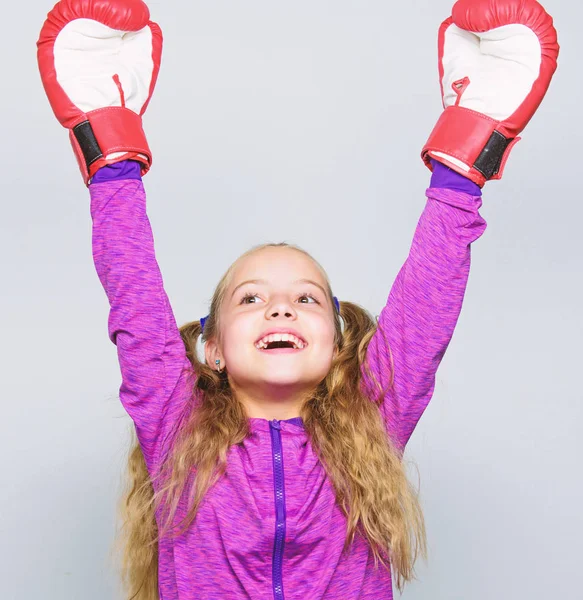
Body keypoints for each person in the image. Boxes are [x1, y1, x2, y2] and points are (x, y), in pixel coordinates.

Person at [36, 0, 559, 598]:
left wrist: (462, 170)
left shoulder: (374, 418)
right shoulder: (173, 422)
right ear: (211, 348)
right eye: (252, 298)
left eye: (307, 299)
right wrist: (110, 156)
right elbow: (133, 291)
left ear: (340, 346)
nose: (280, 308)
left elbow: (427, 303)